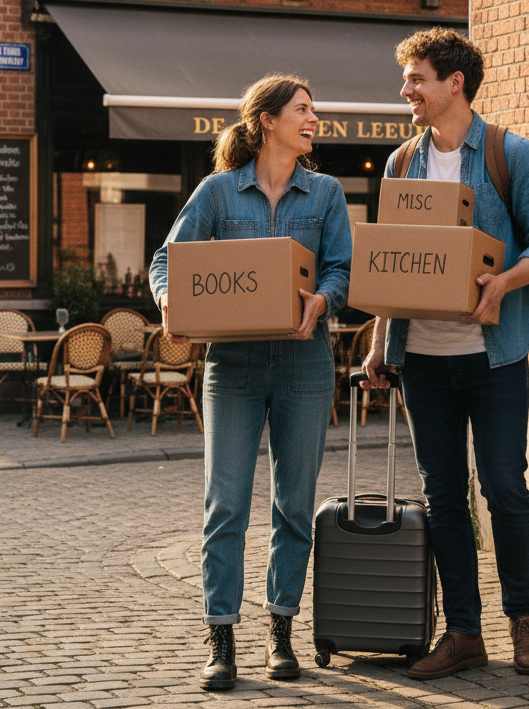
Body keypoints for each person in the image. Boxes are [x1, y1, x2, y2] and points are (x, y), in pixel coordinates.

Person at [362, 27, 529, 679]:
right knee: (445, 495)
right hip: (422, 357)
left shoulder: (511, 154)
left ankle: (524, 620)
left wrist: (505, 280)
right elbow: (392, 263)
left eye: (416, 78)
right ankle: (464, 632)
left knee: (505, 486)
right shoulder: (400, 164)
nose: (406, 90)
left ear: (454, 82)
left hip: (494, 355)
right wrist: (377, 343)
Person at [148, 73, 352, 692]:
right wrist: (170, 304)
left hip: (305, 364)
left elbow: (342, 268)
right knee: (225, 505)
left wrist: (322, 301)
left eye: (314, 111)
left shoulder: (326, 194)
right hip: (231, 366)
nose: (314, 120)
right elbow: (167, 261)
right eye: (303, 110)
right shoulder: (216, 193)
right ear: (267, 121)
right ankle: (221, 638)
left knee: (293, 505)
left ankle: (280, 629)